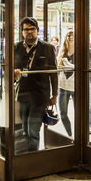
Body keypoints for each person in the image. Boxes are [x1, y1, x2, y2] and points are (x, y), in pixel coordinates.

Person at [14, 17, 58, 152]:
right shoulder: (16, 47)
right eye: (26, 29)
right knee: (25, 130)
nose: (29, 32)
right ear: (22, 32)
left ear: (37, 31)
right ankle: (28, 154)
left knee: (33, 130)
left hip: (39, 96)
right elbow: (9, 70)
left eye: (32, 29)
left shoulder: (48, 48)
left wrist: (55, 94)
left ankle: (32, 158)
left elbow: (53, 73)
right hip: (22, 94)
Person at [56, 31, 75, 137]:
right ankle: (70, 134)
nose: (71, 37)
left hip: (76, 86)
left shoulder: (80, 51)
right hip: (63, 86)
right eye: (68, 35)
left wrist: (68, 64)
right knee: (63, 113)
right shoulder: (62, 51)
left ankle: (80, 135)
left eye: (73, 36)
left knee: (80, 113)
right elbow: (58, 69)